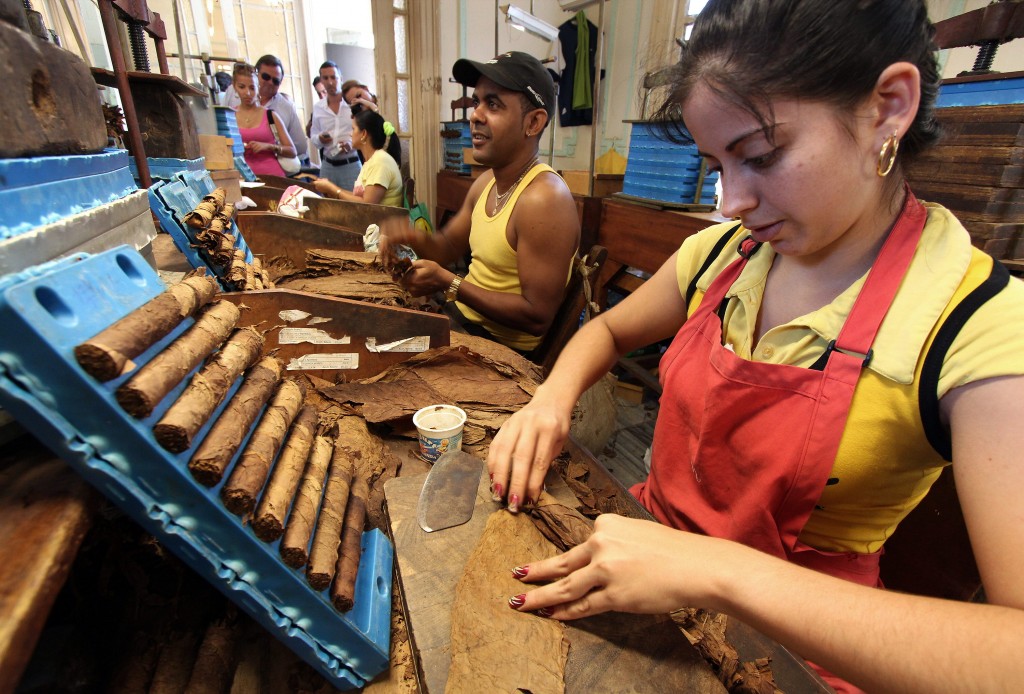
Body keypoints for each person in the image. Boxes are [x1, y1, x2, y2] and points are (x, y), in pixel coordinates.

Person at [488, 2, 1024, 692]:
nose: (732, 200)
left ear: (889, 106)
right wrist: (550, 401)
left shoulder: (979, 326)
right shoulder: (724, 256)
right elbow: (609, 329)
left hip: (799, 654)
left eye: (761, 156)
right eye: (716, 164)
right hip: (644, 559)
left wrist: (715, 571)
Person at [379, 51, 580, 355]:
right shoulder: (486, 182)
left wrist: (449, 283)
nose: (475, 115)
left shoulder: (544, 199)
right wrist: (406, 235)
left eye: (493, 104)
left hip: (501, 350)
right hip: (463, 321)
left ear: (534, 122)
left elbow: (536, 316)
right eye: (477, 102)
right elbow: (446, 247)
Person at [227, 54, 308, 165]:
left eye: (275, 81)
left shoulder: (284, 108)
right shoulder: (231, 101)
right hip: (240, 168)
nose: (270, 82)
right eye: (266, 76)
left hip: (272, 167)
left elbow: (300, 148)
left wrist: (272, 147)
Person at [313, 110, 403, 207]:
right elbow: (362, 199)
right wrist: (331, 189)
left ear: (364, 134)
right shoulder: (372, 160)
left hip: (383, 217)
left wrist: (333, 189)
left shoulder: (380, 161)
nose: (350, 134)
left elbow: (367, 204)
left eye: (353, 129)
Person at [232, 63, 297, 178]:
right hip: (242, 178)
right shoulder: (230, 115)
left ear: (258, 88)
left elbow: (292, 151)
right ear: (235, 87)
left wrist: (269, 146)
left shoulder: (270, 115)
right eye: (242, 87)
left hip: (273, 177)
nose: (247, 93)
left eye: (252, 88)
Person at [310, 61, 361, 191]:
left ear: (340, 78)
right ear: (321, 80)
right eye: (325, 78)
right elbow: (313, 137)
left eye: (333, 77)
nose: (330, 82)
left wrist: (351, 143)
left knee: (355, 202)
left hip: (351, 163)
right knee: (326, 202)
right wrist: (320, 138)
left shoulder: (352, 104)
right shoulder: (318, 107)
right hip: (328, 165)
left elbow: (365, 132)